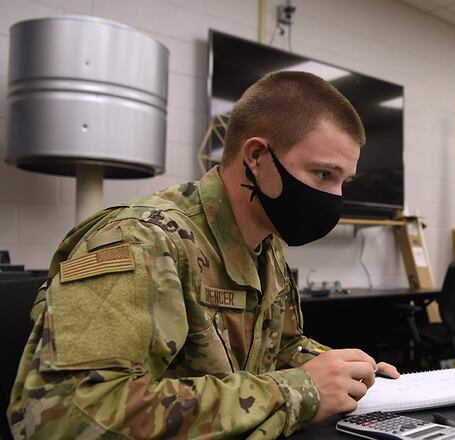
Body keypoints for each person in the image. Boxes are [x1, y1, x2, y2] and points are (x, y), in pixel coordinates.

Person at [7, 71, 399, 439]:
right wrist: (301, 390)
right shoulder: (141, 242)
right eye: (323, 175)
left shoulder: (265, 240)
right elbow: (64, 414)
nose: (335, 200)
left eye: (343, 182)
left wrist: (344, 370)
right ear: (257, 157)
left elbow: (276, 347)